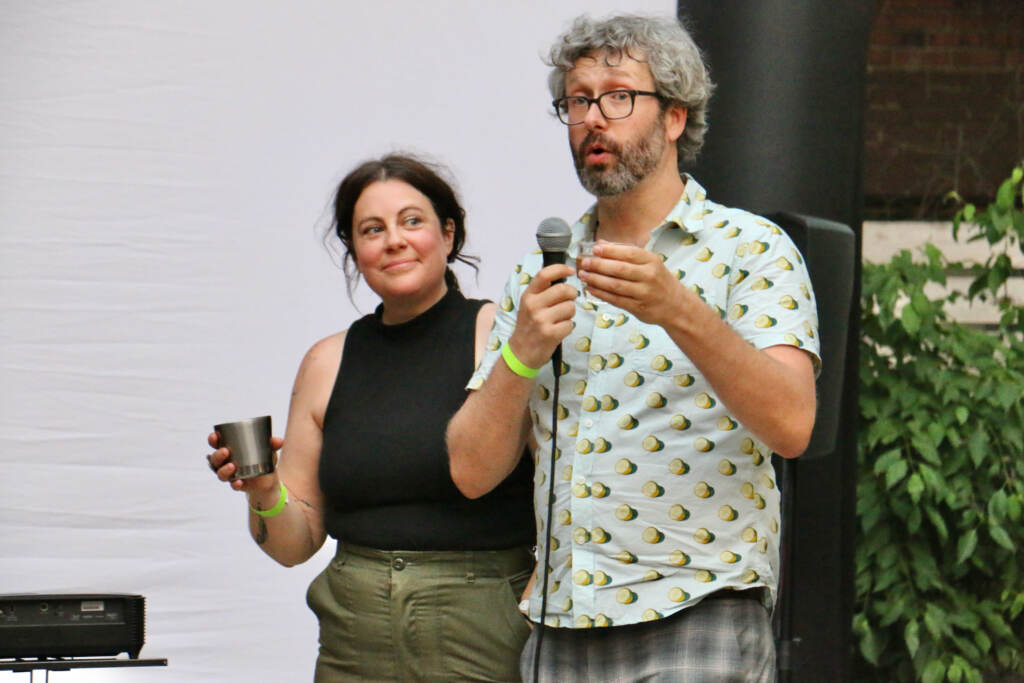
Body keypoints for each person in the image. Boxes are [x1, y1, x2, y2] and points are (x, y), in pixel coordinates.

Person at [447, 14, 820, 682]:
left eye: (618, 95)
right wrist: (520, 352)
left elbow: (793, 424)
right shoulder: (541, 270)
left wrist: (678, 308)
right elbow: (471, 471)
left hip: (697, 603)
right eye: (578, 99)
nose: (594, 117)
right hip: (560, 620)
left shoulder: (752, 248)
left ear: (675, 117)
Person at [207, 153, 535, 682]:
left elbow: (570, 485)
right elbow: (295, 546)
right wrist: (264, 489)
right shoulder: (326, 362)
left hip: (482, 623)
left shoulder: (504, 337)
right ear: (355, 251)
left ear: (448, 235)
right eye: (372, 229)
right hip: (351, 629)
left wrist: (533, 598)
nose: (394, 240)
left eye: (412, 221)